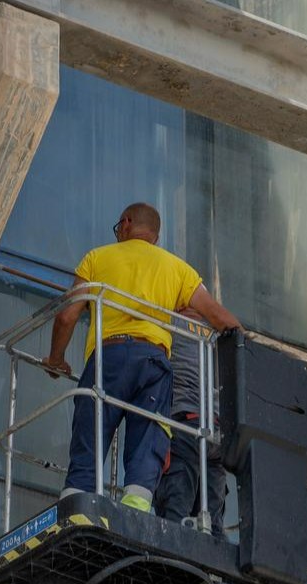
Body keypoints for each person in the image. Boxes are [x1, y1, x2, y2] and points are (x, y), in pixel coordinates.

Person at [42, 202, 240, 512]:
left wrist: (55, 359)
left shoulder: (97, 257)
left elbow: (67, 317)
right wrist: (250, 352)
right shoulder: (178, 269)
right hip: (153, 362)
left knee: (91, 429)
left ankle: (77, 502)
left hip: (108, 357)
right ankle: (137, 504)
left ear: (125, 224)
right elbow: (221, 319)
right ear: (155, 237)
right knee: (149, 433)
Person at [153, 308, 228, 532]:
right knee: (212, 521)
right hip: (216, 430)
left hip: (184, 424)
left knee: (175, 515)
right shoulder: (215, 332)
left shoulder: (165, 321)